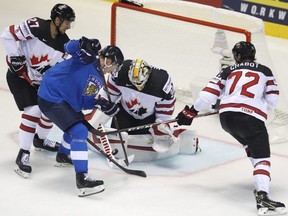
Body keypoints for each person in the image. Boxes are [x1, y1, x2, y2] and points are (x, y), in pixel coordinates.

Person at [176, 41, 286, 216]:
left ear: (237, 56)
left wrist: (191, 112)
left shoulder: (228, 71)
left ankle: (260, 178)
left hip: (227, 118)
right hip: (251, 119)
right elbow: (273, 101)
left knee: (250, 146)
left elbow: (207, 95)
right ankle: (263, 197)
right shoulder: (265, 71)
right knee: (263, 158)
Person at [38, 39, 124, 197]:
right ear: (109, 60)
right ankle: (82, 179)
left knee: (78, 126)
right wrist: (82, 43)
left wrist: (100, 103)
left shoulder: (98, 77)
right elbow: (67, 47)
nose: (113, 70)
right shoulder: (86, 57)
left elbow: (83, 101)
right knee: (79, 132)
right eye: (115, 66)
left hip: (63, 101)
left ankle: (63, 155)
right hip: (51, 96)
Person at [0, 3, 76, 178]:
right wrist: (14, 57)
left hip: (40, 83)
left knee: (50, 109)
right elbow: (7, 34)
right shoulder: (35, 26)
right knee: (33, 110)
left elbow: (63, 68)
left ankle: (40, 140)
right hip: (19, 78)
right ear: (57, 20)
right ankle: (24, 153)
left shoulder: (65, 44)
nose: (68, 26)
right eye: (66, 22)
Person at [93, 58, 199, 159]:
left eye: (139, 83)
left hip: (148, 118)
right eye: (133, 83)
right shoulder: (120, 72)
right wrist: (102, 105)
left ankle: (176, 133)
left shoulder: (161, 83)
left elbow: (165, 110)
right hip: (124, 112)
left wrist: (161, 124)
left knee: (148, 141)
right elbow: (108, 96)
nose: (136, 86)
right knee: (118, 136)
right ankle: (92, 128)